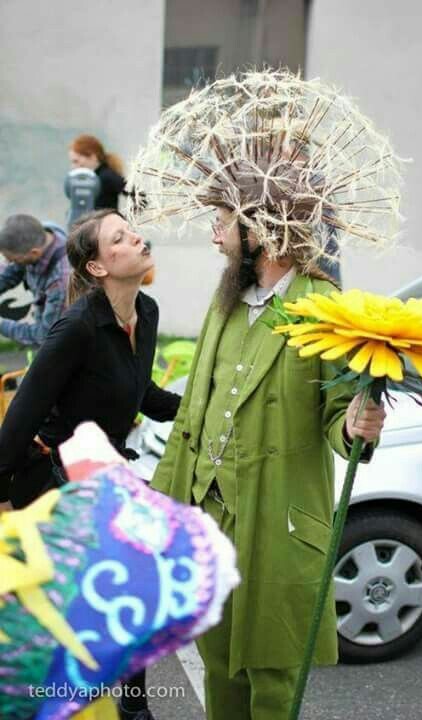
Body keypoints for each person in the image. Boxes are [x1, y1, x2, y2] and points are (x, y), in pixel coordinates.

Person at [127, 70, 402, 719]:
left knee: (274, 680)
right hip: (209, 519)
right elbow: (194, 420)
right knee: (219, 667)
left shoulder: (323, 307)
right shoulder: (225, 301)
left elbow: (337, 421)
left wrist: (356, 425)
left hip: (279, 524)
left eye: (223, 222)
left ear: (263, 227)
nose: (215, 235)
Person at [0, 208, 181, 720]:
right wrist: (7, 504)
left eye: (132, 230)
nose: (137, 238)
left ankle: (132, 706)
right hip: (56, 481)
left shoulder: (146, 312)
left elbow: (141, 392)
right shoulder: (75, 328)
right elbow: (18, 422)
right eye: (119, 237)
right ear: (98, 267)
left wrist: (203, 407)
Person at [0, 214, 70, 346]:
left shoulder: (60, 283)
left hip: (68, 343)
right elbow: (12, 271)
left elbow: (45, 337)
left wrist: (2, 325)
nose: (8, 264)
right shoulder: (39, 234)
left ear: (35, 253)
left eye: (14, 260)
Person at [69, 134, 128, 210]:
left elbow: (131, 191)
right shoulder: (93, 178)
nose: (73, 167)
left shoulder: (106, 176)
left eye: (76, 161)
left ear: (92, 156)